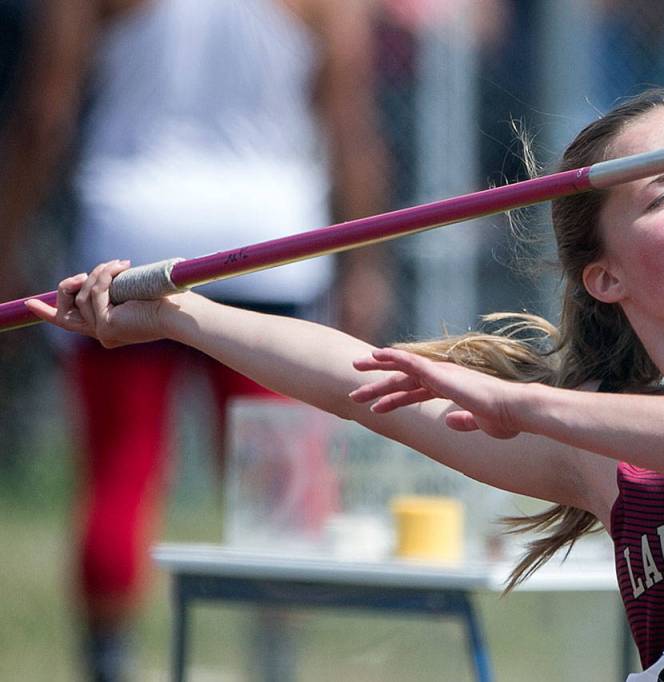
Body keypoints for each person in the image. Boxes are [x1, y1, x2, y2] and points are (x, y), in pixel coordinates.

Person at [28, 88, 664, 679]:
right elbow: (361, 380)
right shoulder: (612, 458)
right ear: (605, 276)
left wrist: (521, 402)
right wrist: (177, 316)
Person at [0, 0, 392, 678]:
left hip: (129, 240)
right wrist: (365, 266)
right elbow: (349, 121)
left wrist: (7, 235)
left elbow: (44, 112)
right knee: (277, 489)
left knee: (119, 470)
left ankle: (108, 661)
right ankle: (275, 661)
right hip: (269, 245)